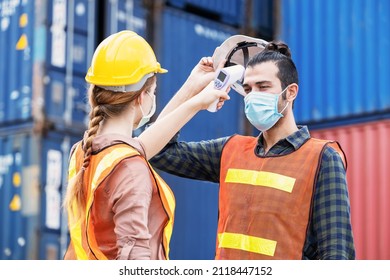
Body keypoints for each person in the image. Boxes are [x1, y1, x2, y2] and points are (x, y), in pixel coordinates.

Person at [149, 36, 355, 260]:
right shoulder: (230, 150)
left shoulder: (322, 158)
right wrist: (192, 89)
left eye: (263, 87)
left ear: (291, 92)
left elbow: (336, 255)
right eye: (248, 89)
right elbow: (157, 150)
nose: (253, 95)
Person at [62, 30, 228, 260]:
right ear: (141, 98)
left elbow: (142, 146)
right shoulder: (129, 168)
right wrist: (197, 101)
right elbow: (136, 260)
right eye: (153, 92)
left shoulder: (83, 152)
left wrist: (193, 90)